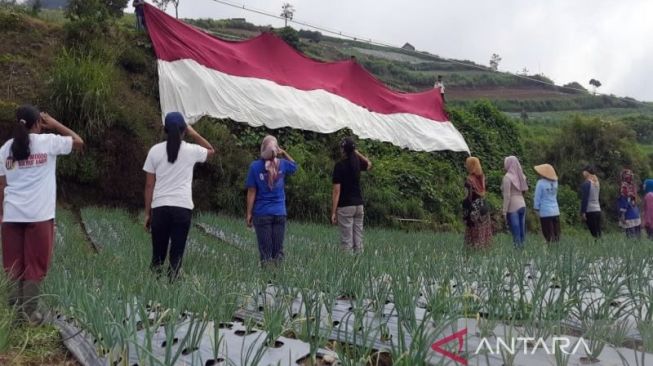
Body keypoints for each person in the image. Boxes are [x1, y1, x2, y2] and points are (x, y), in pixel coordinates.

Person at [0, 105, 84, 324]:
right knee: (35, 265)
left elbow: (2, 186)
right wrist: (55, 124)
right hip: (38, 215)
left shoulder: (5, 149)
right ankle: (30, 314)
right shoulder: (48, 142)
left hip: (11, 216)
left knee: (13, 265)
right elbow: (78, 142)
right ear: (37, 123)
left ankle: (15, 315)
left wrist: (3, 215)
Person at [143, 112, 215, 281]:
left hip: (160, 207)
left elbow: (149, 185)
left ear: (165, 129)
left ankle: (153, 290)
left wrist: (148, 213)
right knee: (176, 256)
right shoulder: (191, 151)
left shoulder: (154, 151)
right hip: (182, 208)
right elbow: (211, 150)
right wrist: (194, 133)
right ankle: (172, 289)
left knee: (157, 256)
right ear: (184, 130)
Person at [246, 136, 298, 265]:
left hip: (262, 213)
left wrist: (249, 213)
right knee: (278, 250)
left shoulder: (254, 167)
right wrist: (284, 153)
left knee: (265, 252)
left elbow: (252, 192)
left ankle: (267, 277)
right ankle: (277, 278)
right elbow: (295, 166)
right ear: (276, 149)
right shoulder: (283, 164)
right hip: (280, 212)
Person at [331, 138, 372, 253]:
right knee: (358, 241)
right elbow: (369, 164)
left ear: (343, 150)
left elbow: (336, 191)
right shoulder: (357, 164)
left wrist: (333, 212)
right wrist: (358, 153)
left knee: (346, 242)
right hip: (359, 205)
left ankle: (347, 268)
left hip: (345, 206)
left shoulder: (339, 166)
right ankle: (359, 266)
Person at [462, 157, 492, 249]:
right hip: (484, 208)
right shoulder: (482, 177)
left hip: (474, 210)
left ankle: (473, 253)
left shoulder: (469, 180)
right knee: (483, 234)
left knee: (473, 235)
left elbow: (468, 198)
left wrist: (465, 214)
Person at [502, 156, 528, 248]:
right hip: (522, 205)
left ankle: (517, 256)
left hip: (513, 208)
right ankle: (523, 254)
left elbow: (507, 196)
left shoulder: (507, 178)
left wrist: (504, 211)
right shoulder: (522, 176)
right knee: (522, 234)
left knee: (516, 234)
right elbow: (524, 190)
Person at [534, 164, 561, 243]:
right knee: (556, 234)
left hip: (545, 212)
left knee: (548, 234)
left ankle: (550, 251)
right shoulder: (556, 182)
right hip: (556, 210)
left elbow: (537, 197)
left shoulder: (540, 183)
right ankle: (557, 251)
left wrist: (536, 208)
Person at [618, 169, 641, 238]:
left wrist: (622, 214)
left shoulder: (624, 187)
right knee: (637, 237)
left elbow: (625, 201)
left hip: (628, 214)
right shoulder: (633, 186)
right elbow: (634, 200)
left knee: (631, 237)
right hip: (636, 213)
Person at [580, 165, 602, 239]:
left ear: (586, 172)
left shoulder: (586, 184)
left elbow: (584, 199)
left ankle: (598, 247)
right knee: (598, 232)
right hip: (598, 209)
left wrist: (583, 212)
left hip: (590, 210)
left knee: (594, 234)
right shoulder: (597, 182)